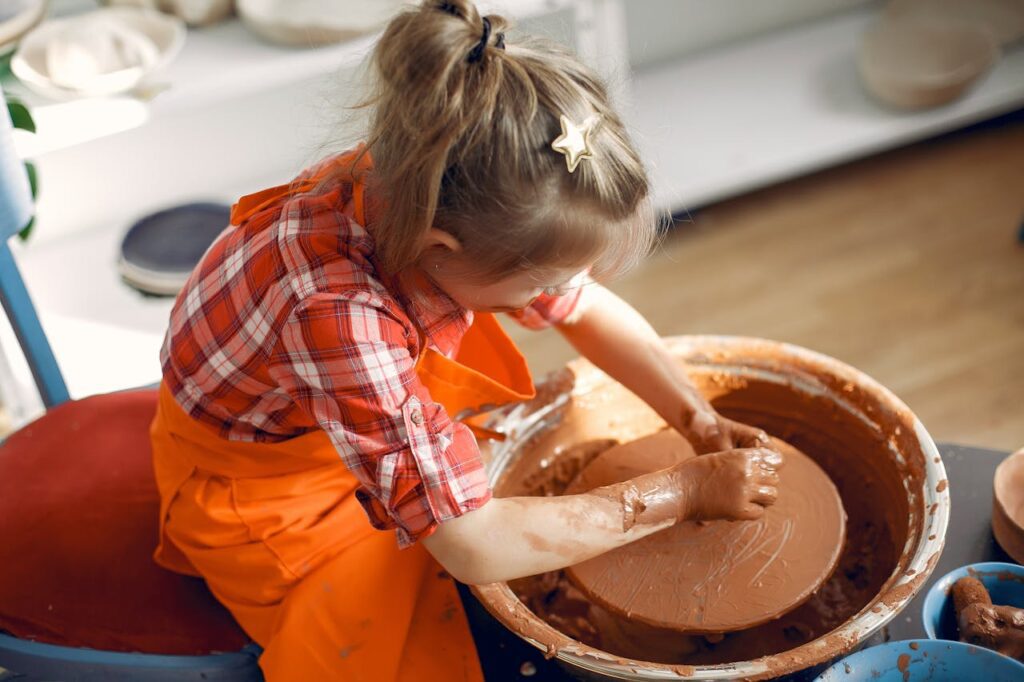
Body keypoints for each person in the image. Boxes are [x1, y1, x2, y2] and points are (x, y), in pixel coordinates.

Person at [149, 1, 784, 679]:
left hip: (330, 411)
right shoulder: (339, 312)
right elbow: (470, 544)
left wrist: (695, 417)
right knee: (391, 650)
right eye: (539, 285)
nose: (557, 295)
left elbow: (584, 306)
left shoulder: (437, 174)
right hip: (261, 495)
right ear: (443, 251)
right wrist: (679, 495)